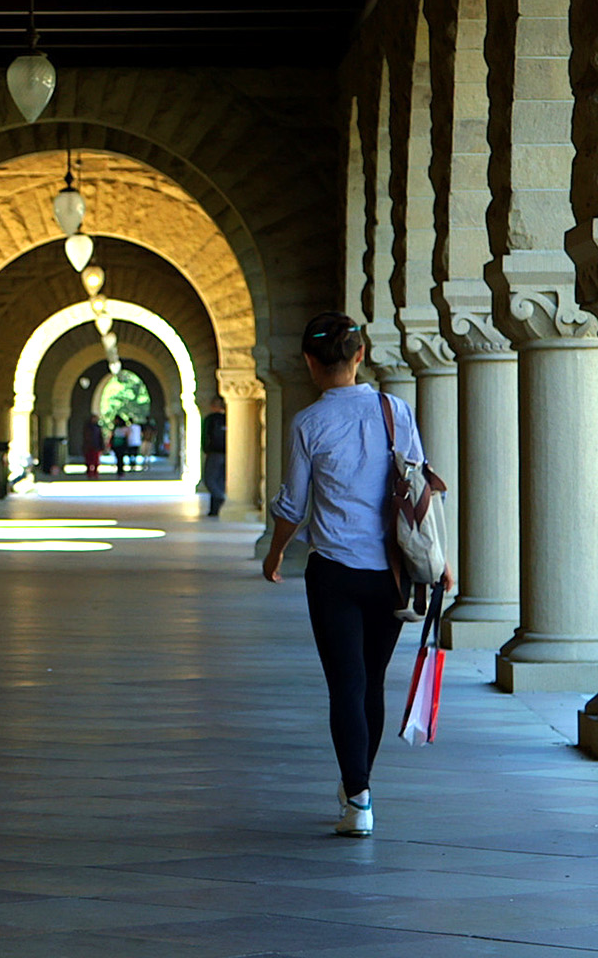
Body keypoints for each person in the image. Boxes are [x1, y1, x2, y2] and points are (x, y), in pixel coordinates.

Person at [261, 311, 449, 839]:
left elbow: (293, 505)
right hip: (390, 573)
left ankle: (358, 797)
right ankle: (359, 784)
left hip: (334, 573)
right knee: (371, 682)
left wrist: (276, 554)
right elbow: (420, 490)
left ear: (309, 363)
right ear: (360, 355)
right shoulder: (396, 410)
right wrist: (440, 561)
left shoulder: (308, 423)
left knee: (345, 683)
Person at [201, 396, 228, 516]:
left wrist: (206, 449)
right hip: (227, 454)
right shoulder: (228, 418)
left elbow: (204, 436)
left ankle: (221, 498)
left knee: (210, 480)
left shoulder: (210, 419)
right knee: (220, 480)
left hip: (214, 453)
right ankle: (215, 509)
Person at [81, 414, 106, 479]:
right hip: (89, 446)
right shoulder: (87, 428)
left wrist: (102, 446)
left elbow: (100, 437)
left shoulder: (98, 428)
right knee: (89, 460)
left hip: (96, 446)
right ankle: (89, 472)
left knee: (95, 460)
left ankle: (95, 472)